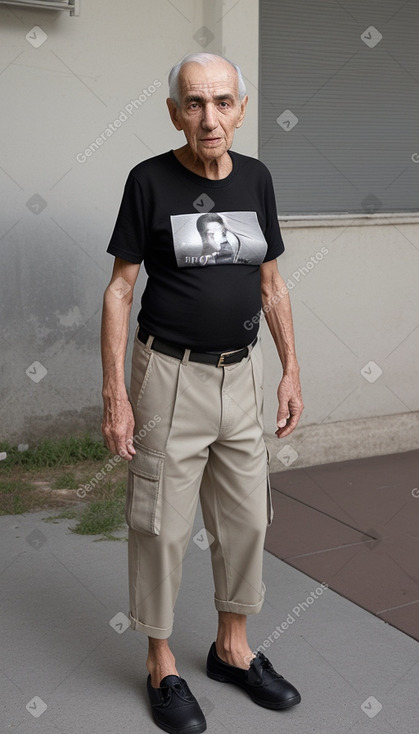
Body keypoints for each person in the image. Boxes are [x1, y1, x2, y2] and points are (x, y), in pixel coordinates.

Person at [101, 52, 304, 734]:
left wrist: (290, 368)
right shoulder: (148, 182)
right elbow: (120, 290)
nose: (208, 117)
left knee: (247, 520)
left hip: (240, 375)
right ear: (173, 112)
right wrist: (115, 395)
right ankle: (161, 662)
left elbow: (270, 284)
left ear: (240, 109)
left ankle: (232, 648)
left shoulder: (256, 178)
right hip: (167, 375)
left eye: (221, 102)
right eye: (194, 103)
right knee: (161, 525)